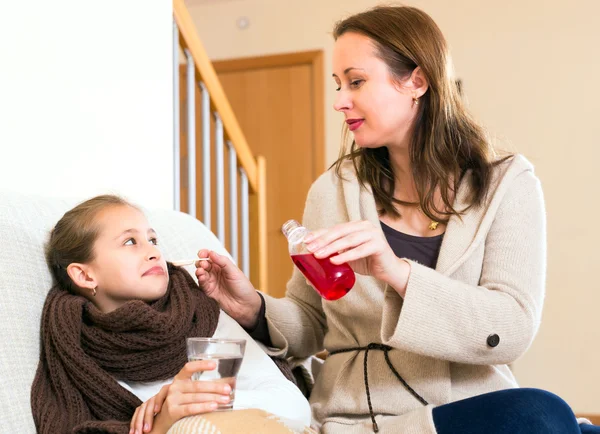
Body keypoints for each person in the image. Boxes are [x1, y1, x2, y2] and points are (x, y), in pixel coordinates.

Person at [192, 6, 599, 434]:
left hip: (472, 409)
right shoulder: (331, 191)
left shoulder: (507, 185)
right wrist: (254, 308)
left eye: (356, 81)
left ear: (417, 81)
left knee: (548, 416)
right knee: (546, 417)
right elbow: (311, 321)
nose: (339, 101)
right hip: (363, 418)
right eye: (338, 85)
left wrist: (399, 274)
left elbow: (513, 326)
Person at [31, 195, 311, 434]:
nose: (154, 251)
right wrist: (164, 420)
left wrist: (196, 402)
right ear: (84, 275)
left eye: (153, 239)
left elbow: (294, 406)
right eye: (130, 242)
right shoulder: (72, 346)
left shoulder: (200, 313)